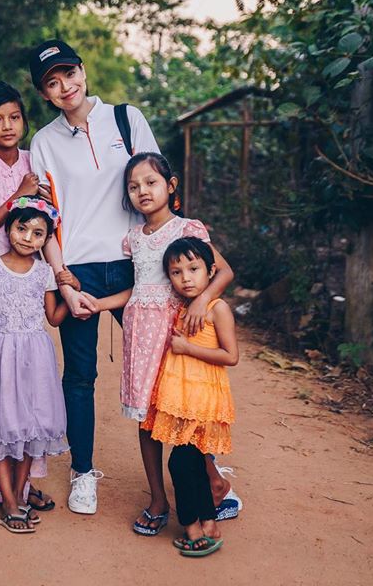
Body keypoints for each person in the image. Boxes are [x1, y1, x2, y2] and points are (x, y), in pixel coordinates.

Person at [27, 38, 158, 514]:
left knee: (160, 365)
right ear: (45, 93)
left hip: (134, 265)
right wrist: (61, 277)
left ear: (83, 69)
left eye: (69, 73)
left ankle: (192, 470)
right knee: (80, 376)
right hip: (78, 270)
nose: (65, 86)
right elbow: (46, 220)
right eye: (52, 82)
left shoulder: (126, 119)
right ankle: (83, 473)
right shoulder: (42, 142)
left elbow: (154, 187)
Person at [85, 152, 238, 535]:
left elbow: (224, 271)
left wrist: (201, 300)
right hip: (140, 335)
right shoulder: (134, 238)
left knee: (183, 414)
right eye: (134, 187)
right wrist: (100, 304)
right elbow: (138, 289)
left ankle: (212, 480)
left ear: (170, 187)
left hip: (175, 334)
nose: (142, 192)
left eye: (151, 183)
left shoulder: (188, 228)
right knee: (146, 416)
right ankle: (157, 498)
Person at [0, 82, 68, 513]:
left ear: (25, 119)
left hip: (28, 273)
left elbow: (50, 218)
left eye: (14, 117)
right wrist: (16, 196)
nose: (7, 126)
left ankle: (23, 487)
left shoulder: (34, 159)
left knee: (25, 390)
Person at [0, 198, 70, 533]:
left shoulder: (45, 272)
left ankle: (20, 497)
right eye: (22, 228)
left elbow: (53, 317)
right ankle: (7, 501)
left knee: (27, 428)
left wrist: (71, 291)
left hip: (35, 358)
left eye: (38, 233)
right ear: (9, 229)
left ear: (45, 239)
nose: (27, 237)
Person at [143, 237, 238, 557]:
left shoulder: (216, 308)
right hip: (181, 398)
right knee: (194, 461)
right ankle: (209, 524)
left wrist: (187, 348)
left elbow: (231, 355)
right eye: (176, 272)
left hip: (202, 400)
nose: (185, 278)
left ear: (211, 271)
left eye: (194, 269)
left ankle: (191, 526)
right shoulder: (180, 306)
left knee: (180, 462)